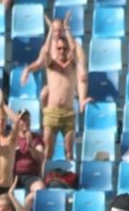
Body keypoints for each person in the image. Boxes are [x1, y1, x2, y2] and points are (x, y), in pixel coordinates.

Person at [22, 25, 89, 162]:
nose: (62, 51)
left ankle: (71, 181)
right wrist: (51, 32)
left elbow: (78, 53)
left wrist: (68, 31)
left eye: (64, 48)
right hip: (52, 113)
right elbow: (45, 52)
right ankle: (44, 180)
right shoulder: (51, 64)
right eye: (59, 48)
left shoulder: (72, 64)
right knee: (48, 152)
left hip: (68, 113)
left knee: (69, 152)